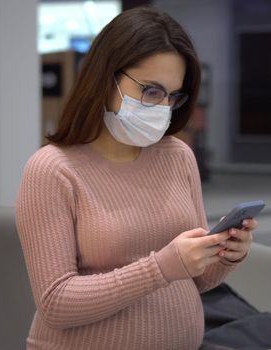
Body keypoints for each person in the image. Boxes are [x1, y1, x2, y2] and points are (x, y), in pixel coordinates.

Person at [15, 7, 257, 350]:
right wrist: (161, 267)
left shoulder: (177, 156)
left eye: (173, 97)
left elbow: (194, 279)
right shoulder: (52, 170)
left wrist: (224, 254)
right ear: (105, 77)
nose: (162, 108)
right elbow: (56, 302)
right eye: (151, 91)